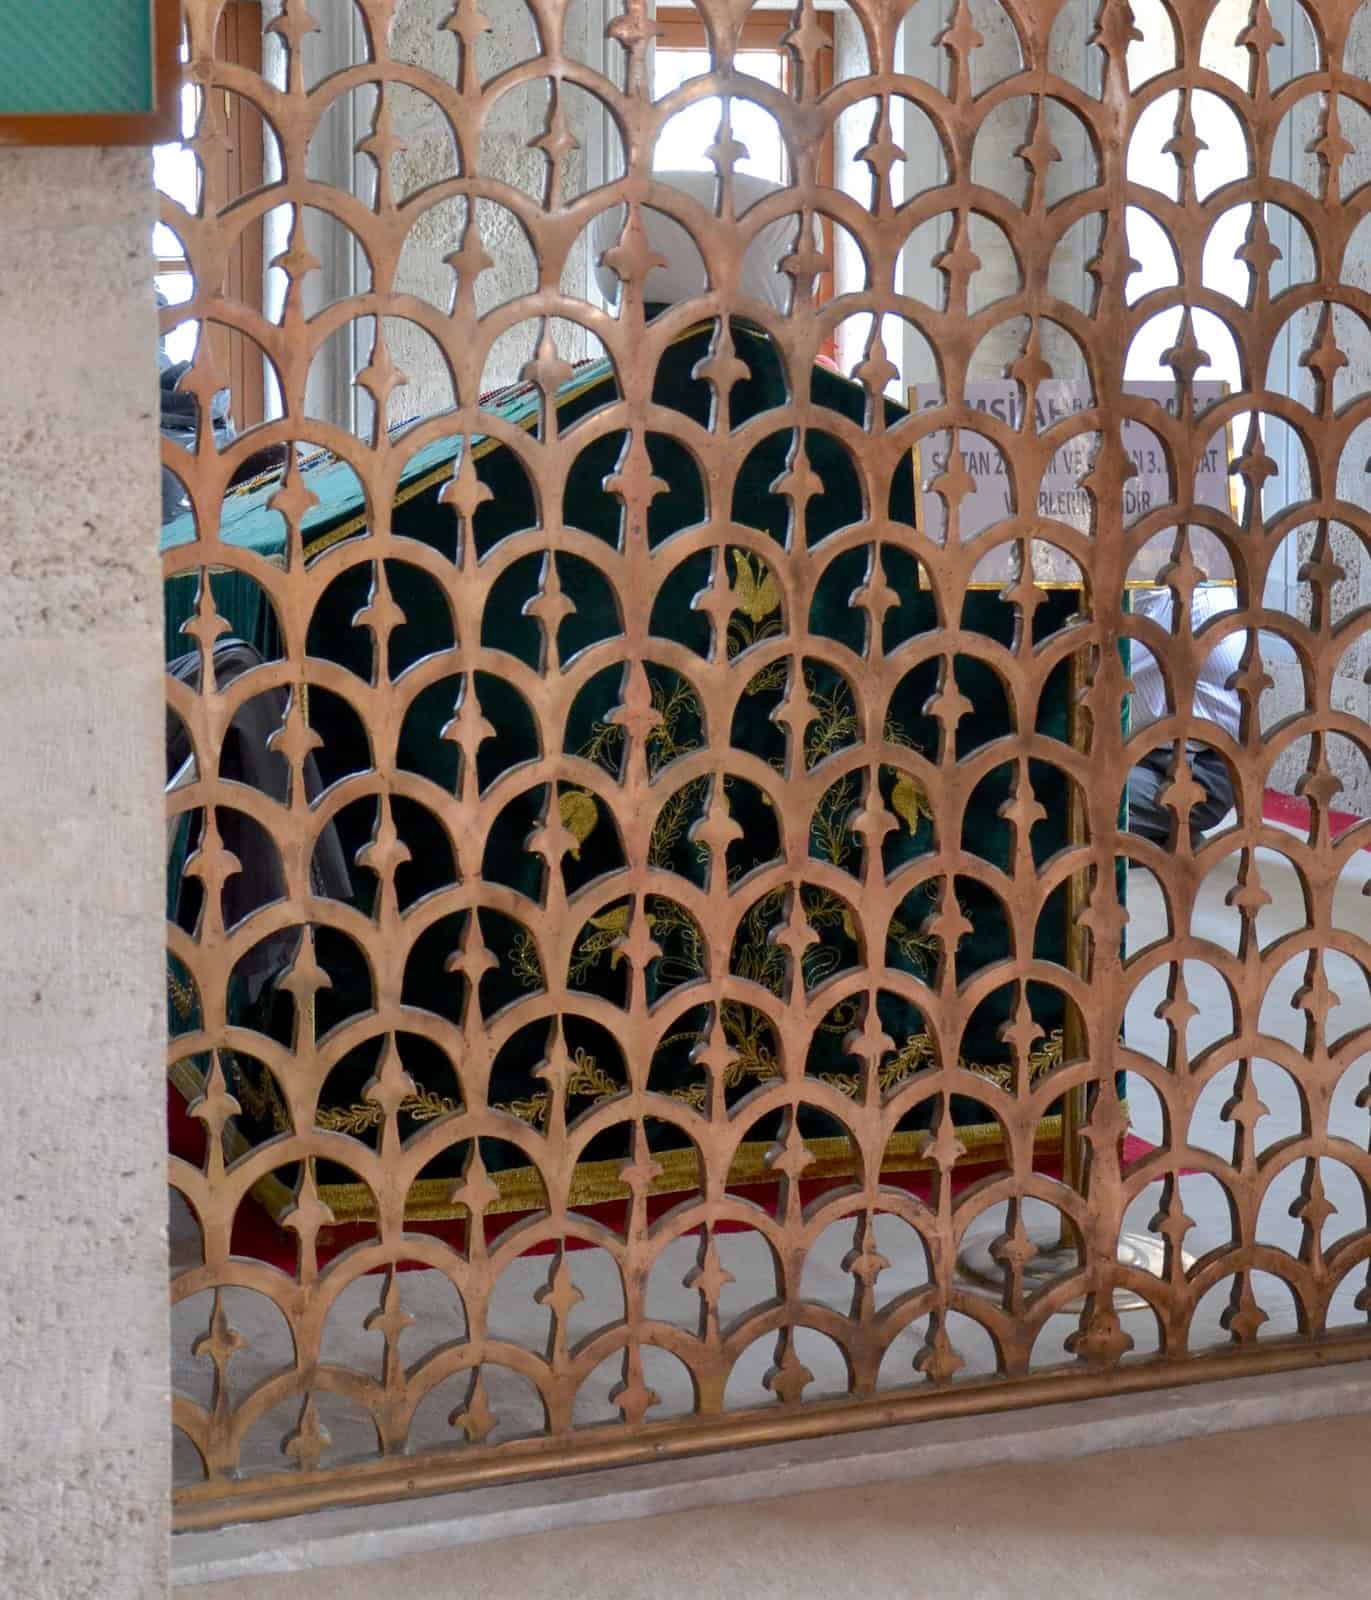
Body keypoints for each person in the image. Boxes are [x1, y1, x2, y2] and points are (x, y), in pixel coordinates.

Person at [1127, 583, 1244, 844]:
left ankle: (1167, 835)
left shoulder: (1185, 603)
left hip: (1195, 775)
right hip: (1153, 759)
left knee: (1072, 790)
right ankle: (1165, 835)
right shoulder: (1165, 591)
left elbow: (1103, 666)